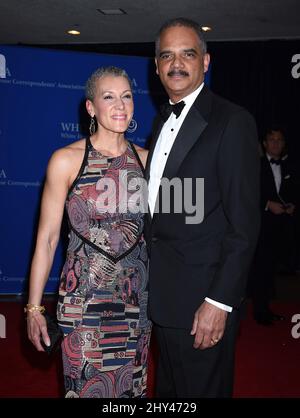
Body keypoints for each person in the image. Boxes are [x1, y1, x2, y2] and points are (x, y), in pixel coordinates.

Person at [145, 18, 260, 397]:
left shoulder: (232, 121)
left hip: (202, 303)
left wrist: (219, 301)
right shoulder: (160, 121)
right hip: (163, 299)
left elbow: (244, 225)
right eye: (167, 56)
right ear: (157, 65)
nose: (176, 64)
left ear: (206, 62)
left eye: (187, 54)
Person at [26, 66, 152, 398]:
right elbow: (47, 239)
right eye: (109, 97)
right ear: (91, 107)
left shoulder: (148, 162)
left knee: (130, 394)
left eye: (127, 96)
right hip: (83, 303)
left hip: (135, 303)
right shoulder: (66, 161)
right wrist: (34, 308)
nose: (120, 106)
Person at [249, 127, 297, 325]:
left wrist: (292, 204)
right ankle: (259, 311)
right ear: (265, 143)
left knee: (271, 271)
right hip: (260, 227)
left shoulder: (290, 166)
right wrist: (268, 205)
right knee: (260, 269)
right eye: (272, 139)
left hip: (282, 228)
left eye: (280, 140)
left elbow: (293, 191)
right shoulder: (255, 165)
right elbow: (247, 193)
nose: (276, 143)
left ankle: (266, 308)